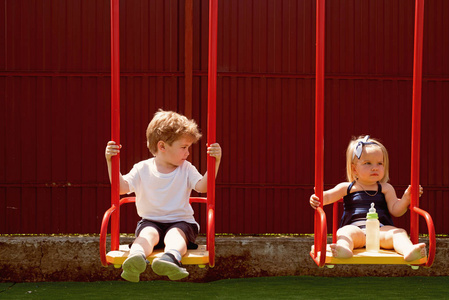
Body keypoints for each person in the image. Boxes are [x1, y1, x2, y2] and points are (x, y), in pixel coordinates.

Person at [105, 109, 222, 282]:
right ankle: (135, 258)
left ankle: (170, 258)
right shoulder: (142, 168)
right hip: (151, 221)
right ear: (162, 146)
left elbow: (203, 187)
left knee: (174, 234)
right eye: (183, 147)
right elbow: (121, 188)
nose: (187, 153)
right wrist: (111, 161)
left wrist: (215, 162)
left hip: (181, 223)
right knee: (147, 234)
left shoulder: (186, 169)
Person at [309, 135, 426, 262]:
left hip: (380, 231)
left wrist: (406, 198)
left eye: (379, 163)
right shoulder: (347, 188)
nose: (375, 167)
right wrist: (317, 198)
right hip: (356, 230)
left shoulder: (385, 188)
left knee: (398, 232)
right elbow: (326, 197)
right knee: (344, 232)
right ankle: (343, 249)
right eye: (367, 163)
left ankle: (408, 250)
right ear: (354, 169)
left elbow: (396, 210)